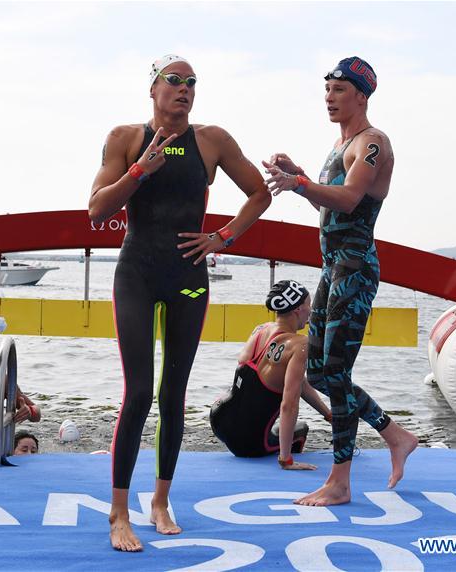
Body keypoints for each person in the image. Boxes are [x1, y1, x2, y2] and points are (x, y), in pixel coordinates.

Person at [88, 54, 272, 551]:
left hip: (188, 274)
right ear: (153, 88)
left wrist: (224, 237)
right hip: (137, 273)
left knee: (174, 396)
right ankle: (118, 513)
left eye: (192, 82)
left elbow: (259, 193)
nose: (185, 89)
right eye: (174, 80)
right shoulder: (125, 138)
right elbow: (97, 208)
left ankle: (162, 502)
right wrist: (138, 171)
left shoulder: (212, 140)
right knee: (139, 393)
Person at [263, 57, 418, 506]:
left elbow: (350, 200)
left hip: (355, 269)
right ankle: (395, 435)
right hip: (332, 269)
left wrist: (299, 182)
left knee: (339, 373)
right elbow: (329, 209)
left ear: (362, 95)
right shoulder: (340, 144)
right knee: (320, 371)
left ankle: (341, 481)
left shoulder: (372, 144)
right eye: (326, 89)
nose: (329, 97)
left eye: (339, 90)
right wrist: (302, 179)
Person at [209, 280, 332, 467]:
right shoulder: (300, 345)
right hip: (249, 441)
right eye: (310, 306)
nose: (311, 312)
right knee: (301, 429)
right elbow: (288, 406)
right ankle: (286, 459)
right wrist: (286, 460)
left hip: (219, 418)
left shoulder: (261, 329)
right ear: (298, 309)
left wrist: (328, 415)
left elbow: (298, 384)